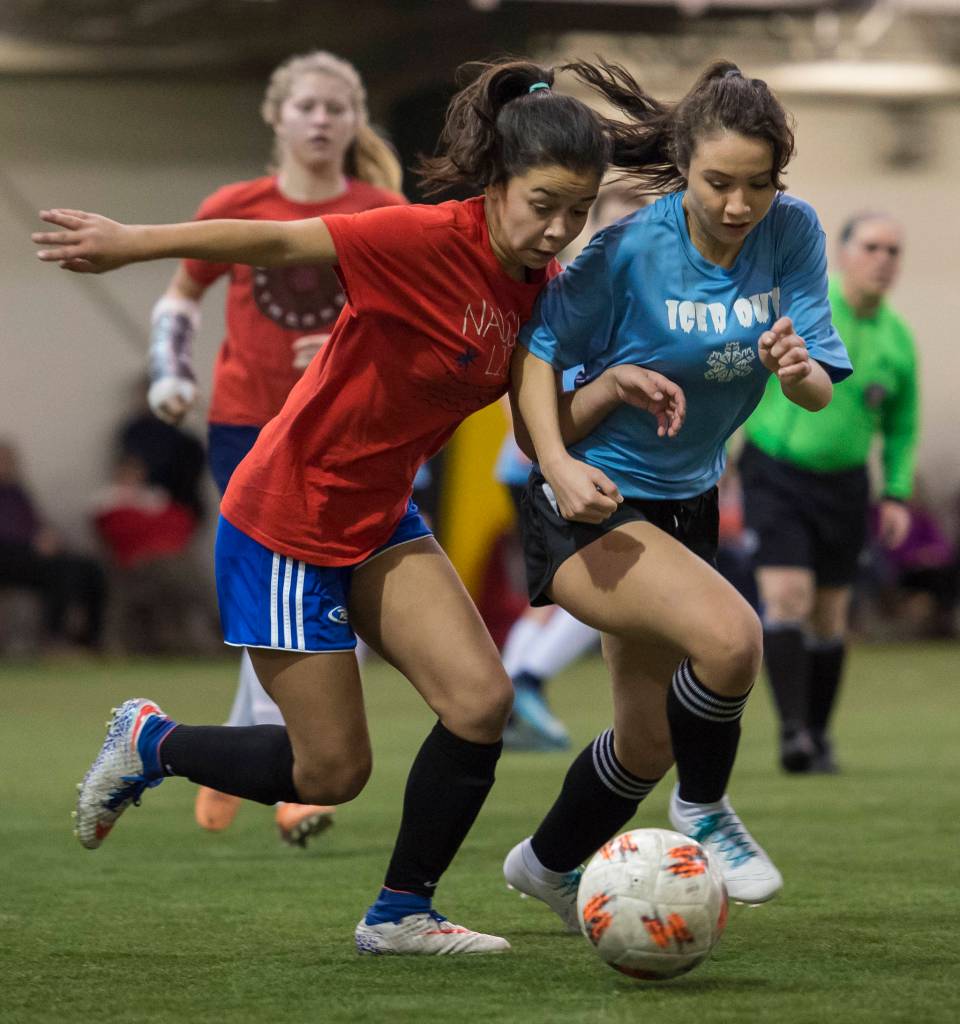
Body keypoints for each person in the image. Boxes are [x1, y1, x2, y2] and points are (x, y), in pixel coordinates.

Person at [34, 58, 685, 956]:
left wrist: (609, 389)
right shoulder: (417, 238)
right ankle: (152, 741)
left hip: (380, 517)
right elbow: (274, 244)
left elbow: (535, 429)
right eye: (544, 204)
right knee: (332, 772)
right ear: (498, 183)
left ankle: (400, 915)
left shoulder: (534, 287)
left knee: (479, 700)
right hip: (288, 519)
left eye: (577, 211)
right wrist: (131, 241)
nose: (560, 229)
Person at [500, 60, 852, 929]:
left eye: (759, 185)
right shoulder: (629, 250)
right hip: (589, 501)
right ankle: (704, 809)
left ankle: (542, 866)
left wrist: (799, 369)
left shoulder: (793, 232)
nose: (738, 206)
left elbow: (816, 389)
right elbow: (535, 353)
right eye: (718, 183)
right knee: (733, 640)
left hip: (686, 500)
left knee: (648, 739)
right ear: (685, 166)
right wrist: (553, 459)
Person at [146, 50, 408, 845]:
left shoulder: (380, 207)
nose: (322, 121)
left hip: (350, 430)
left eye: (336, 107)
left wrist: (341, 346)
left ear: (356, 119)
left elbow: (407, 321)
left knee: (325, 598)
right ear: (277, 116)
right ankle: (292, 775)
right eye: (307, 108)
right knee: (282, 595)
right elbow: (179, 296)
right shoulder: (240, 204)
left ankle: (236, 754)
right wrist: (168, 372)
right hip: (247, 429)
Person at [740, 211, 919, 773]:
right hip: (776, 471)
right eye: (871, 246)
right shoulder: (807, 313)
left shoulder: (897, 342)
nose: (883, 260)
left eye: (893, 250)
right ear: (843, 254)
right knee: (787, 596)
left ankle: (819, 734)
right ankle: (793, 734)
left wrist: (894, 493)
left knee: (829, 615)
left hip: (845, 485)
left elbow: (903, 426)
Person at [0, 439, 107, 652]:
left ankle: (90, 641)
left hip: (33, 554)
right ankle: (54, 639)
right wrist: (32, 543)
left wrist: (48, 536)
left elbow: (36, 524)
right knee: (61, 571)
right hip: (8, 556)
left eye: (9, 460)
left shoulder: (18, 493)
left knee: (91, 569)